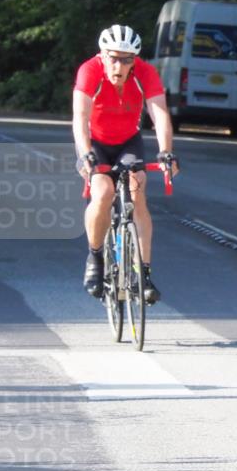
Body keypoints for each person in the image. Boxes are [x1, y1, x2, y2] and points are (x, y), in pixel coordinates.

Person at [73, 24, 179, 304]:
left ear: (135, 60)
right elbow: (80, 117)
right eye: (113, 58)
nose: (119, 65)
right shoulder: (90, 71)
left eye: (127, 59)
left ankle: (143, 274)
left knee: (137, 192)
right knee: (104, 192)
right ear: (102, 55)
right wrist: (85, 153)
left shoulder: (145, 73)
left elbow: (160, 115)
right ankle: (95, 257)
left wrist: (166, 152)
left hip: (128, 140)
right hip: (95, 142)